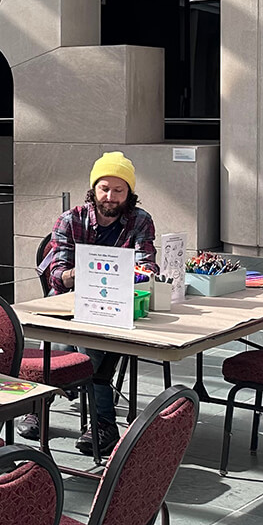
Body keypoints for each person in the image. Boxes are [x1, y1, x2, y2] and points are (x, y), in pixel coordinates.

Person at [33, 151, 159, 456]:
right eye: (104, 188)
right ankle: (99, 422)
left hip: (119, 306)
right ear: (93, 189)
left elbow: (148, 268)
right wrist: (90, 271)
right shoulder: (70, 219)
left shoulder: (140, 221)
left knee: (82, 344)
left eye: (119, 190)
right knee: (64, 341)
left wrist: (123, 275)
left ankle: (50, 406)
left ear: (130, 193)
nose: (111, 197)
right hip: (68, 305)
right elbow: (57, 275)